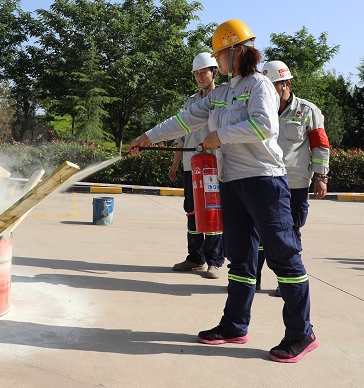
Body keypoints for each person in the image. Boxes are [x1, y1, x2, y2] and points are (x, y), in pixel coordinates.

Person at [127, 19, 318, 363]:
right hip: (232, 182)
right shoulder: (222, 93)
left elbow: (264, 125)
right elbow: (185, 120)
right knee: (241, 257)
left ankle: (301, 332)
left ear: (237, 50)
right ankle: (234, 325)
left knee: (282, 255)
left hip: (264, 180)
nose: (217, 61)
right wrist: (147, 137)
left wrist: (220, 136)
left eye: (220, 54)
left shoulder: (260, 85)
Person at [257, 60, 330, 295]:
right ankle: (252, 280)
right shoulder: (258, 109)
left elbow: (320, 145)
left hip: (295, 184)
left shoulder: (308, 111)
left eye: (274, 85)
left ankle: (287, 283)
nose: (269, 91)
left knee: (290, 232)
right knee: (258, 232)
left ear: (286, 84)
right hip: (263, 179)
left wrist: (321, 176)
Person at [168, 53, 225, 279]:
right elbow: (182, 136)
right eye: (197, 74)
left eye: (204, 72)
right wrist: (174, 165)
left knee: (212, 213)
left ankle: (215, 261)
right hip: (190, 166)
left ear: (214, 72)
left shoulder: (223, 98)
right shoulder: (190, 102)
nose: (200, 77)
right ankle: (195, 258)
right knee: (191, 212)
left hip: (214, 167)